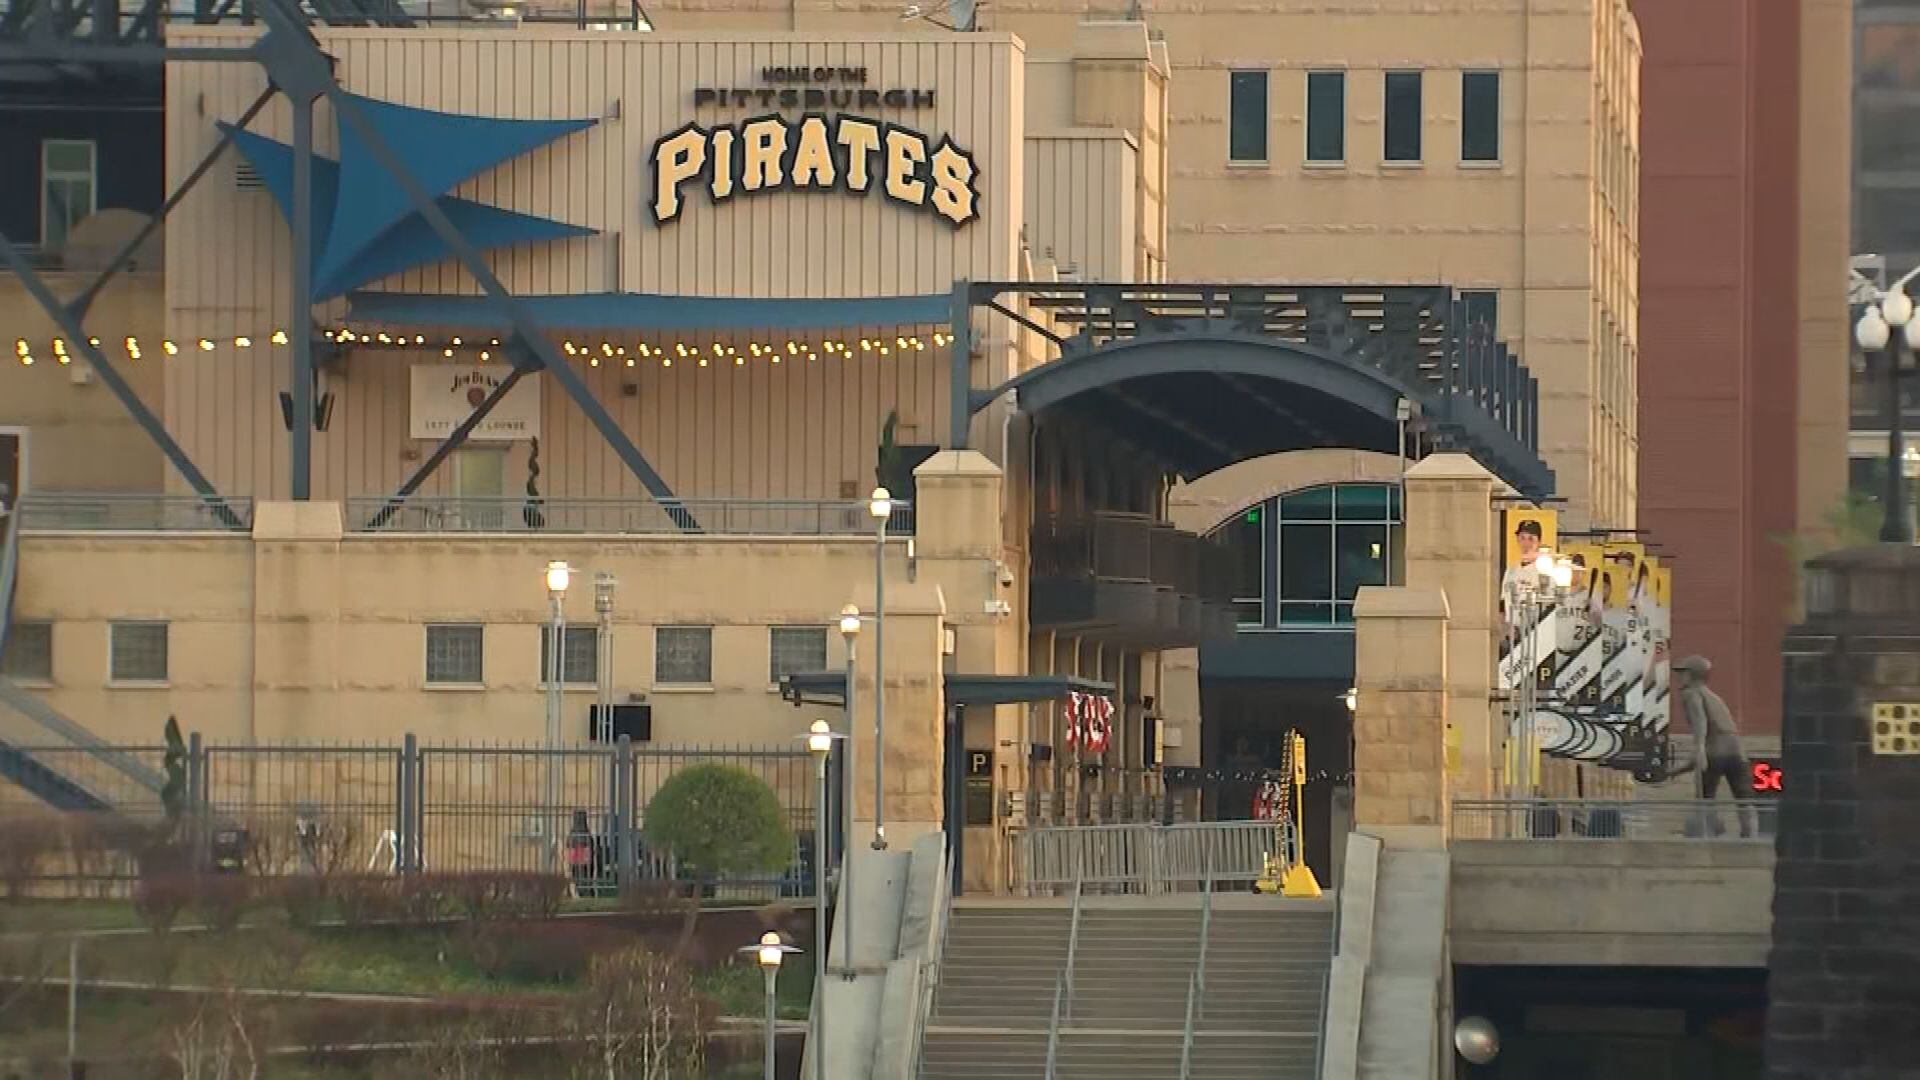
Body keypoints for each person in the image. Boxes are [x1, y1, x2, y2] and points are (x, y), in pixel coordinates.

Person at [1675, 655, 1755, 837]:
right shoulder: (1713, 696)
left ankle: (1712, 832)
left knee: (1705, 796)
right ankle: (1749, 833)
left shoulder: (1691, 694)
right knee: (1743, 796)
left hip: (1714, 750)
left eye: (1683, 673)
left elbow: (1699, 723)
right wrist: (1679, 769)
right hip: (1736, 750)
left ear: (1692, 674)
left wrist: (1700, 749)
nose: (1679, 677)